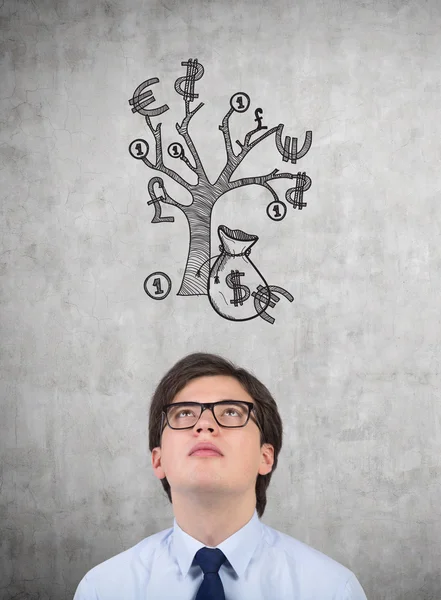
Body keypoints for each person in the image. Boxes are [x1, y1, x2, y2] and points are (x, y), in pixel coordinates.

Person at [73, 352, 368, 599]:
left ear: (266, 456)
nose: (204, 424)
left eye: (230, 412)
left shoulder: (331, 590)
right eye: (184, 413)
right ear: (158, 460)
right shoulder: (102, 590)